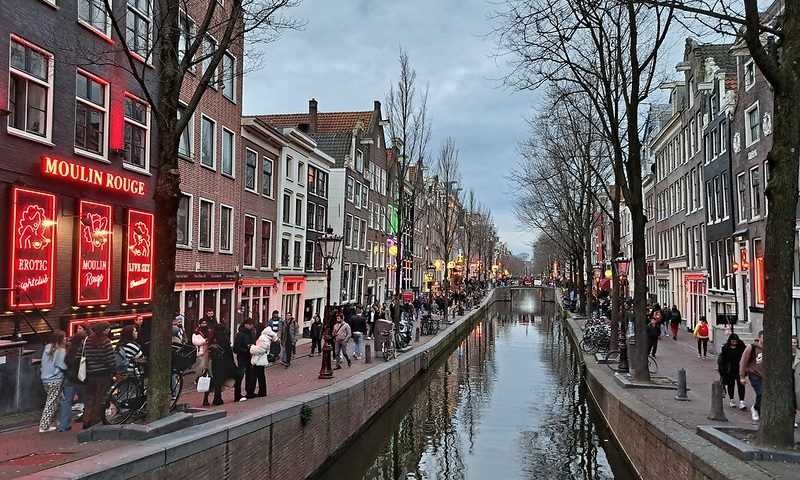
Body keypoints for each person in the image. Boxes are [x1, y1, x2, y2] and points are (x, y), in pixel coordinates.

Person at [83, 322, 116, 429]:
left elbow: (81, 355)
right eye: (108, 328)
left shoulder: (87, 341)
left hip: (90, 374)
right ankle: (95, 419)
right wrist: (113, 371)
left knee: (90, 397)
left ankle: (86, 419)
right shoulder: (106, 342)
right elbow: (110, 360)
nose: (109, 330)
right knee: (100, 397)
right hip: (103, 374)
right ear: (103, 330)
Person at [58, 328, 87, 431]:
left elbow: (65, 363)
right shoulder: (83, 350)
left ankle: (63, 425)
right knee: (87, 401)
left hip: (69, 379)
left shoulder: (69, 350)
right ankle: (87, 422)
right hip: (79, 379)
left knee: (67, 402)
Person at [39, 330, 67, 433]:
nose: (66, 339)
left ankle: (56, 422)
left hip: (45, 378)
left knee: (58, 401)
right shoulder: (60, 351)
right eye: (64, 337)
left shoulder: (47, 348)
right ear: (60, 339)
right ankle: (44, 426)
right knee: (51, 402)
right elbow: (62, 365)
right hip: (56, 379)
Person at [206, 327, 241, 406]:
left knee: (218, 381)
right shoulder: (224, 339)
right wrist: (233, 365)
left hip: (215, 364)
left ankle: (217, 399)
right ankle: (237, 395)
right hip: (225, 364)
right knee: (239, 376)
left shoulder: (212, 340)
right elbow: (229, 353)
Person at [740, 331, 764, 422]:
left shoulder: (771, 349)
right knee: (761, 392)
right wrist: (742, 376)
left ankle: (757, 407)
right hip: (754, 373)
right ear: (759, 338)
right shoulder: (752, 347)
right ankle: (756, 409)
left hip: (765, 375)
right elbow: (743, 361)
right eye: (763, 338)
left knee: (764, 394)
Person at [718, 333, 747, 410]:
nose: (734, 343)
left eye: (735, 342)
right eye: (733, 341)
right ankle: (732, 399)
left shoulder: (741, 347)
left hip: (739, 368)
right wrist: (722, 371)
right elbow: (723, 360)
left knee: (741, 385)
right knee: (731, 385)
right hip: (729, 370)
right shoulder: (725, 348)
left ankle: (741, 401)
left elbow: (745, 358)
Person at [249, 326, 278, 397]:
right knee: (261, 376)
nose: (255, 332)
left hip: (259, 360)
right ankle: (262, 392)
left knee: (255, 376)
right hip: (261, 359)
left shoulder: (263, 338)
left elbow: (261, 349)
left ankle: (253, 393)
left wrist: (251, 348)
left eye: (256, 330)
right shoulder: (266, 337)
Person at [233, 319, 255, 402]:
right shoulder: (240, 334)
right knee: (240, 375)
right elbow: (236, 348)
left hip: (250, 357)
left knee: (250, 375)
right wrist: (246, 351)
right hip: (242, 358)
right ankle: (237, 394)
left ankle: (249, 392)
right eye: (250, 324)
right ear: (246, 324)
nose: (251, 326)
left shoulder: (251, 333)